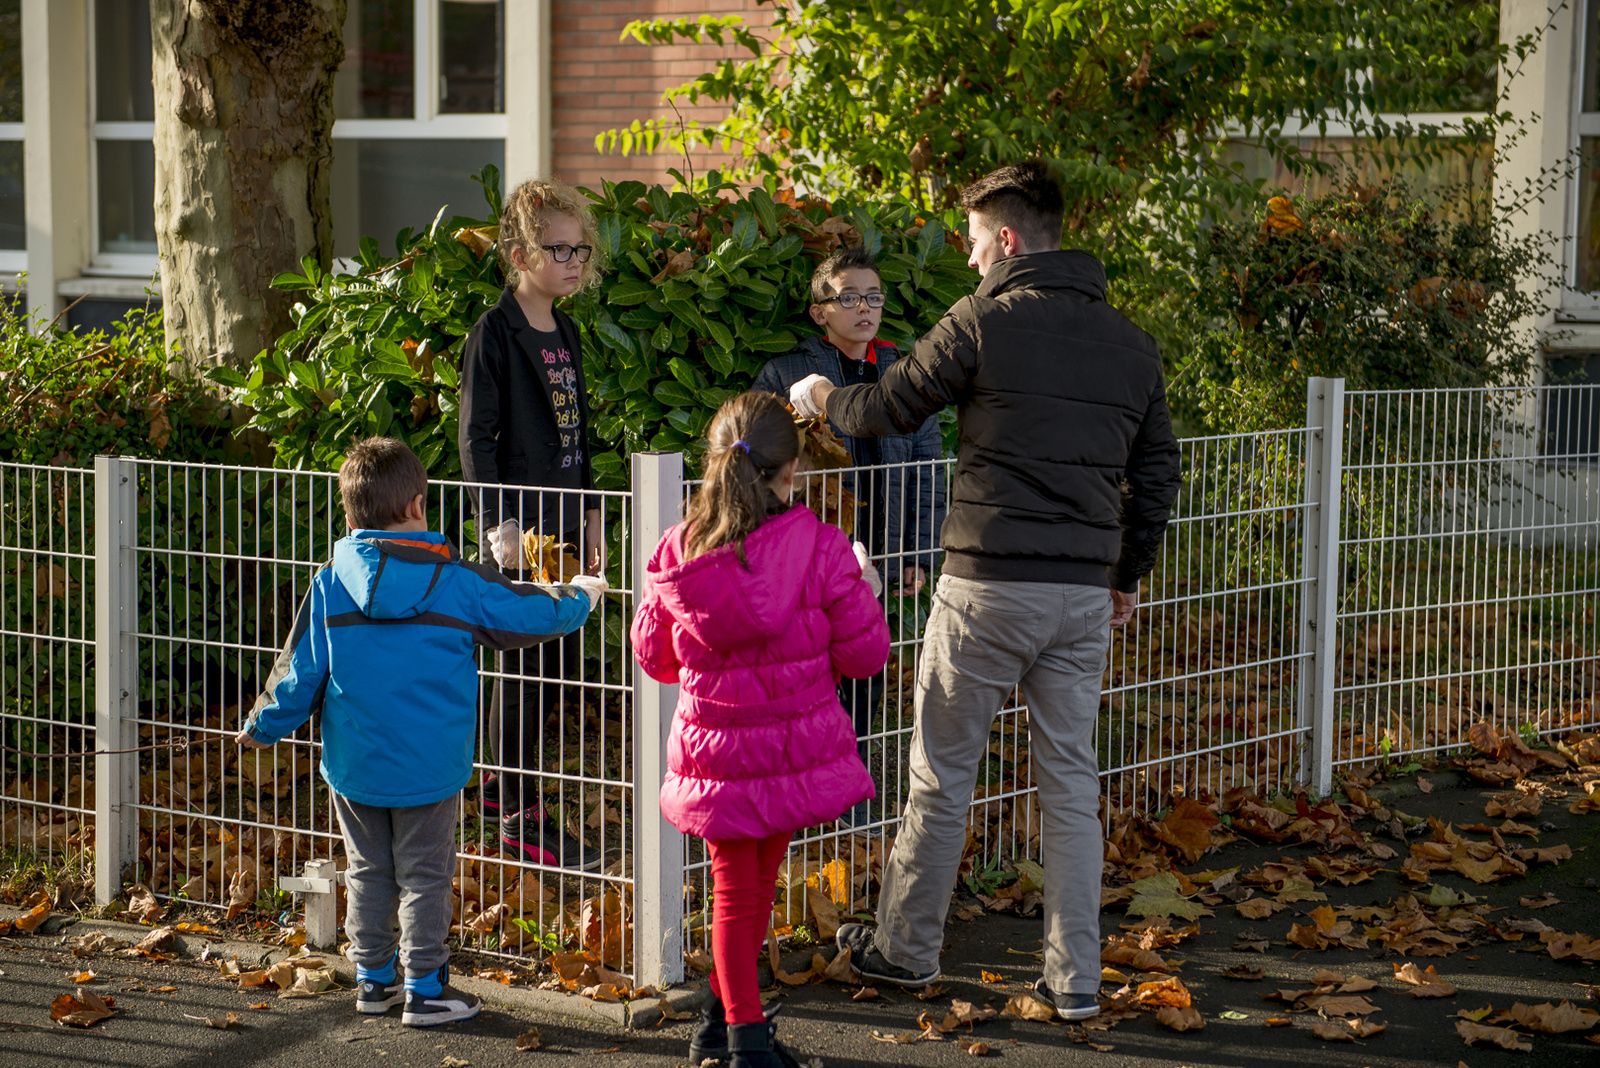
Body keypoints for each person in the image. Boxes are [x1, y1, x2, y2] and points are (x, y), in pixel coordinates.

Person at [789, 161, 1182, 1021]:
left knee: (941, 775)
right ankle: (1076, 981)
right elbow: (1157, 475)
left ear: (1006, 239)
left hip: (986, 588)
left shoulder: (983, 320)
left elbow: (889, 406)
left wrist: (823, 397)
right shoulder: (1131, 342)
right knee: (1070, 785)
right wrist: (1125, 576)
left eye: (973, 242)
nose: (969, 260)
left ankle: (905, 951)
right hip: (1081, 597)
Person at [235, 437, 605, 1027]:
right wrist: (579, 597)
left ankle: (373, 980)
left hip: (355, 765)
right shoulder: (455, 582)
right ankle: (426, 988)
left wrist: (262, 725)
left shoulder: (330, 582)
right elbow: (527, 611)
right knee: (425, 876)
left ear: (351, 516)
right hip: (431, 767)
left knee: (367, 871)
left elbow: (299, 670)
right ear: (415, 506)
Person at [631, 391, 890, 1067]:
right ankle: (746, 1040)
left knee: (737, 890)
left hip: (714, 750)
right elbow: (866, 656)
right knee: (749, 891)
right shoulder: (822, 548)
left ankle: (718, 1023)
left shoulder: (677, 550)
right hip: (791, 747)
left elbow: (654, 658)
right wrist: (864, 589)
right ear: (791, 470)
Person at [752, 246, 946, 826]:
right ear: (820, 311)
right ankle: (797, 783)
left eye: (873, 296)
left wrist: (916, 553)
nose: (864, 308)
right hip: (807, 556)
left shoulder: (903, 375)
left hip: (878, 554)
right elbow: (757, 465)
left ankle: (845, 783)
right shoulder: (786, 374)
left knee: (865, 669)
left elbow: (927, 470)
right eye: (850, 297)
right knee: (803, 673)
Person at [458, 178, 605, 870]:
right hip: (519, 535)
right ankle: (521, 815)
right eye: (559, 250)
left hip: (565, 528)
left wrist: (593, 511)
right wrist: (500, 524)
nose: (574, 262)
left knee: (555, 665)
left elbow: (581, 435)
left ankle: (499, 789)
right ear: (519, 255)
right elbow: (475, 438)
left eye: (581, 249)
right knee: (524, 669)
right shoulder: (494, 333)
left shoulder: (566, 330)